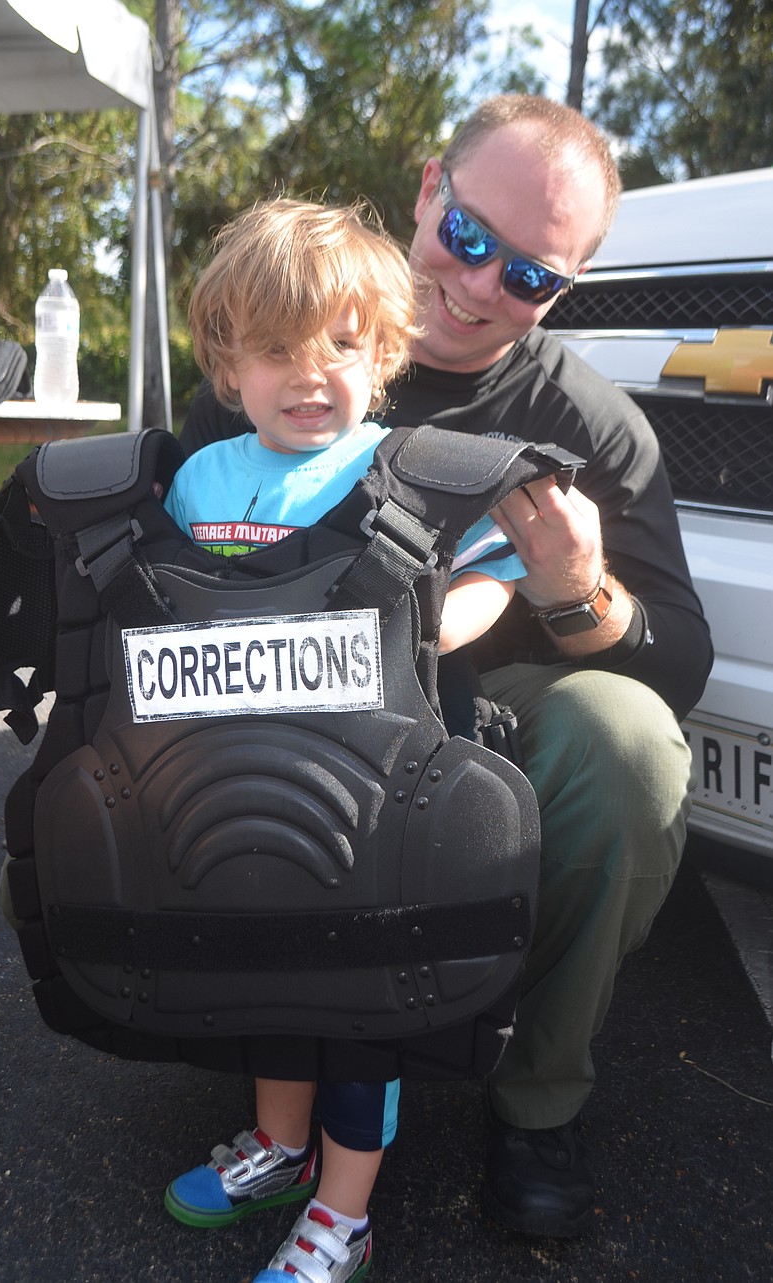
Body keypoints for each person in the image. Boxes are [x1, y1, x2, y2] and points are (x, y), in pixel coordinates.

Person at [179, 95, 713, 1240]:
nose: (477, 288)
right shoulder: (285, 323)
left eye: (528, 276)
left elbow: (677, 665)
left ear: (563, 291)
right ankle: (262, 1043)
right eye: (467, 237)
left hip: (485, 704)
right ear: (428, 190)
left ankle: (537, 1099)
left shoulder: (587, 423)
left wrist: (572, 583)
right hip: (298, 710)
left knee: (625, 743)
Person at [162, 197, 530, 1283]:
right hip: (243, 784)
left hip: (380, 797)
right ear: (230, 365)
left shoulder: (415, 467)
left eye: (341, 343)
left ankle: (344, 1208)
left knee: (361, 1001)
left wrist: (442, 622)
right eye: (275, 349)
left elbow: (487, 580)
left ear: (385, 350)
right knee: (267, 979)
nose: (310, 371)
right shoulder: (202, 480)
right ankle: (280, 1146)